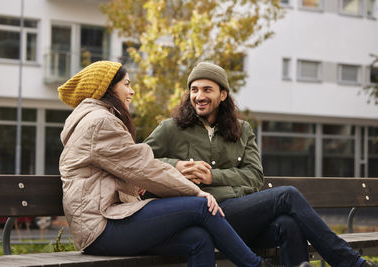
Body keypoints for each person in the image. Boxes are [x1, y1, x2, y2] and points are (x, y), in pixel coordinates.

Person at [144, 62, 377, 267]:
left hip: (239, 215)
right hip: (205, 216)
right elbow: (137, 161)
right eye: (194, 90)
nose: (199, 96)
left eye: (207, 89)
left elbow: (254, 176)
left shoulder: (242, 130)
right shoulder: (171, 128)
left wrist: (213, 177)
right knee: (287, 195)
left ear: (223, 95)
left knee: (287, 224)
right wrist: (177, 165)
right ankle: (348, 261)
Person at [57, 60, 278, 267]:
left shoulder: (96, 119)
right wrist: (196, 192)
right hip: (101, 228)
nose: (131, 91)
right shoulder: (100, 122)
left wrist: (142, 183)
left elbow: (128, 168)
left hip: (109, 220)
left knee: (199, 238)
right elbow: (143, 167)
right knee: (202, 207)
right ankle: (256, 265)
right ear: (107, 89)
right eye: (126, 84)